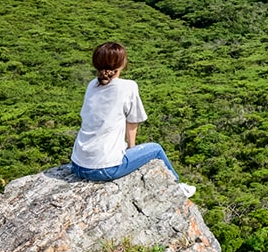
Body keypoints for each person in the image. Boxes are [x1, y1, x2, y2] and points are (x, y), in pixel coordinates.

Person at [69, 41, 195, 197]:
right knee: (155, 148)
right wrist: (132, 147)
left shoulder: (91, 85)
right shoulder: (128, 86)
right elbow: (132, 120)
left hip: (77, 165)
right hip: (105, 168)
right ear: (122, 64)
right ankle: (176, 187)